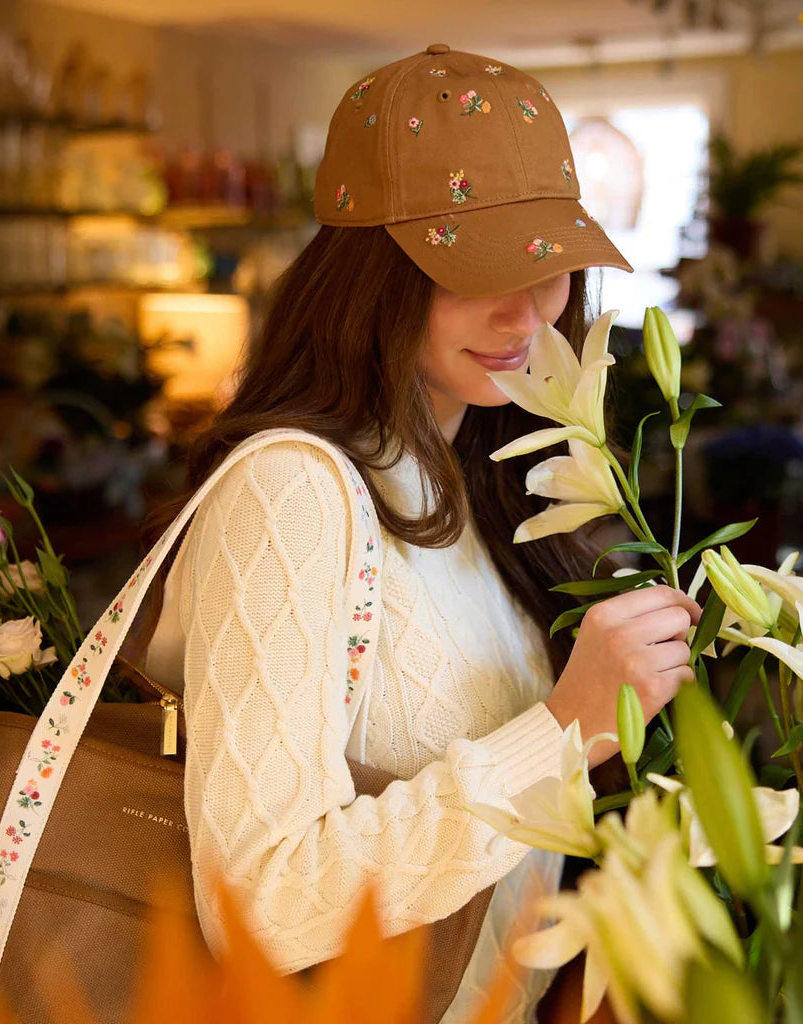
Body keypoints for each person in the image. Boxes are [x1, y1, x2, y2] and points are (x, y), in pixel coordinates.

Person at [143, 43, 701, 1024]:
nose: (525, 310)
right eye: (475, 267)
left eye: (548, 265)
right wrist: (565, 724)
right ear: (371, 273)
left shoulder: (486, 476)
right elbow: (256, 903)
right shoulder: (293, 489)